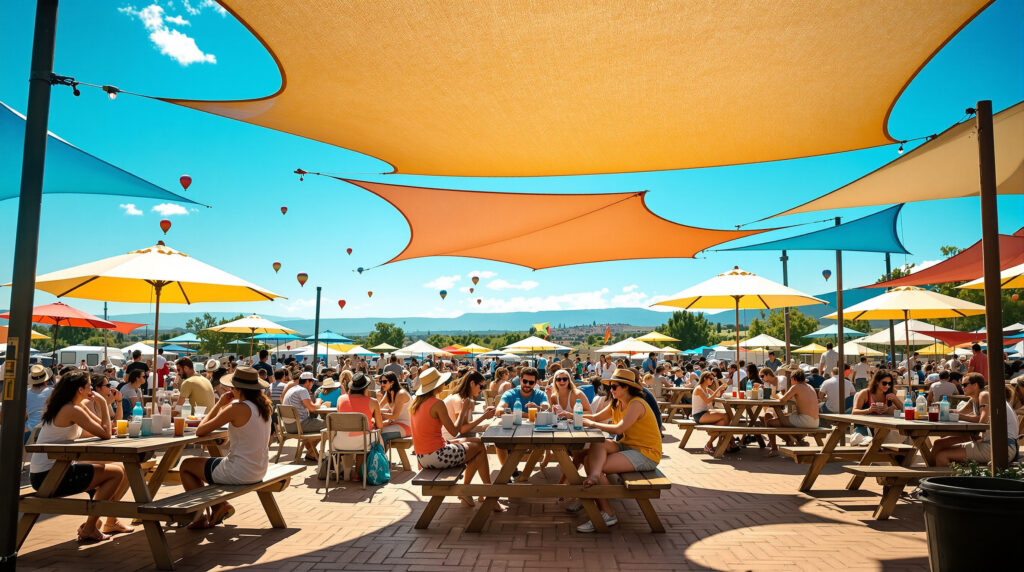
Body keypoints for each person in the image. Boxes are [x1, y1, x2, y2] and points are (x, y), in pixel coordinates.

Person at [29, 370, 133, 541]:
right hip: (48, 477)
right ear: (80, 390)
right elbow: (106, 433)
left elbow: (99, 426)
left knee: (124, 467)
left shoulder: (73, 405)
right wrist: (102, 402)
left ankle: (109, 521)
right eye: (89, 386)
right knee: (116, 473)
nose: (91, 388)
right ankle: (91, 527)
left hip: (55, 469)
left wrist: (103, 406)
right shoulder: (71, 409)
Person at [177, 366, 272, 529]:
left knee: (186, 466)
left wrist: (219, 403)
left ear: (237, 389)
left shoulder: (236, 408)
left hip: (239, 471)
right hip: (259, 469)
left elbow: (201, 430)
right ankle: (217, 507)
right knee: (207, 463)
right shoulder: (264, 406)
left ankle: (202, 515)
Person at [575, 369, 662, 532]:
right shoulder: (616, 402)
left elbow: (618, 428)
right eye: (610, 387)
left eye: (614, 387)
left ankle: (608, 513)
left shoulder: (636, 403)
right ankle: (596, 490)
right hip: (627, 445)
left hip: (646, 453)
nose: (611, 390)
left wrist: (592, 425)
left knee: (596, 465)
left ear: (626, 387)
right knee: (595, 449)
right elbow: (595, 417)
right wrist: (568, 415)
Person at [410, 367, 500, 508]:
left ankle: (478, 492)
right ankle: (488, 495)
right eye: (441, 382)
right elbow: (454, 431)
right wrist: (465, 409)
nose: (444, 385)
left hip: (423, 457)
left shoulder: (416, 404)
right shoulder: (437, 404)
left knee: (477, 442)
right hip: (438, 456)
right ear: (436, 385)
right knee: (480, 447)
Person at [933, 373, 1019, 466]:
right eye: (961, 385)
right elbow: (959, 413)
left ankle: (947, 478)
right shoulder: (974, 399)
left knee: (941, 456)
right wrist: (941, 410)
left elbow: (982, 421)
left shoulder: (984, 395)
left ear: (975, 385)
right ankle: (934, 472)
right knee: (939, 444)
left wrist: (959, 417)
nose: (962, 387)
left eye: (965, 385)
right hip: (992, 444)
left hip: (1001, 448)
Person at [333, 372, 384, 479]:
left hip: (340, 442)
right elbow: (380, 425)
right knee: (369, 435)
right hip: (362, 443)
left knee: (355, 435)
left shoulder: (340, 399)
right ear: (366, 388)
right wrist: (372, 421)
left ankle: (347, 473)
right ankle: (357, 473)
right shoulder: (373, 402)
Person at [763, 369, 822, 456]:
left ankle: (775, 448)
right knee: (784, 417)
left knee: (770, 422)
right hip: (815, 421)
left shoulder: (796, 387)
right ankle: (793, 439)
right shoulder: (810, 387)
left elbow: (783, 400)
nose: (790, 381)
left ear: (794, 379)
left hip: (805, 420)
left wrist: (779, 394)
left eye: (790, 379)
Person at [440, 371, 496, 440]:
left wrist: (484, 424)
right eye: (481, 386)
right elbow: (462, 429)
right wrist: (484, 417)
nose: (482, 390)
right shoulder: (459, 400)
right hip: (449, 439)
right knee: (480, 443)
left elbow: (467, 426)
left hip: (452, 437)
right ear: (472, 383)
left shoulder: (464, 398)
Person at [282, 371, 325, 461]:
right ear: (307, 382)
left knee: (315, 424)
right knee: (329, 425)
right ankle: (311, 452)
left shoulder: (292, 389)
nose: (313, 384)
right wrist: (319, 401)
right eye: (312, 382)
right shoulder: (303, 390)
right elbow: (312, 408)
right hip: (299, 425)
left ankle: (312, 453)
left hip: (288, 426)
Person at [849, 369, 901, 442]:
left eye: (890, 384)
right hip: (864, 426)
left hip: (883, 427)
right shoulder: (865, 393)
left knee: (901, 435)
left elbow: (903, 409)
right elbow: (854, 412)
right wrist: (869, 410)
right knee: (869, 442)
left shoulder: (891, 392)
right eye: (884, 383)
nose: (887, 386)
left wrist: (894, 400)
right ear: (877, 382)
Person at [691, 371, 731, 454]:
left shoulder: (706, 389)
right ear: (705, 378)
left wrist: (719, 386)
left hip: (705, 413)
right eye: (711, 379)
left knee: (723, 421)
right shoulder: (699, 389)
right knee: (725, 415)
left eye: (713, 379)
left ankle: (710, 444)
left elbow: (718, 395)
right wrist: (718, 389)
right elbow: (707, 400)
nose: (712, 381)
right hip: (699, 415)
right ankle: (722, 441)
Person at [377, 371, 413, 442]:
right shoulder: (389, 392)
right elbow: (379, 407)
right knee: (375, 432)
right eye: (381, 381)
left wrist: (381, 415)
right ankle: (380, 453)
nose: (382, 384)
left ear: (392, 382)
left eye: (384, 382)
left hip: (407, 426)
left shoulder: (401, 394)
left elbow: (394, 416)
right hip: (395, 424)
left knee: (380, 434)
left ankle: (380, 453)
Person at [24, 364, 53, 443]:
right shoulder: (52, 392)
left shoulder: (25, 393)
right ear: (46, 379)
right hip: (46, 430)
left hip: (27, 431)